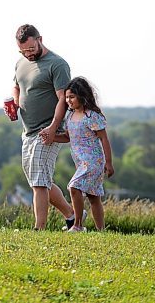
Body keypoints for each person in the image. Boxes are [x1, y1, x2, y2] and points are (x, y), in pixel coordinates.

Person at [7, 24, 84, 231]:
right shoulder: (21, 62)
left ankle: (39, 229)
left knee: (39, 182)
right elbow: (17, 86)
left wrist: (53, 128)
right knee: (37, 179)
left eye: (31, 49)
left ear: (40, 39)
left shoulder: (57, 64)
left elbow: (63, 99)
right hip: (28, 130)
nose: (28, 54)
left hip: (49, 130)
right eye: (23, 51)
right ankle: (72, 216)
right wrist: (15, 103)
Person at [53, 77, 114, 232]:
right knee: (94, 197)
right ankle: (102, 230)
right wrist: (51, 136)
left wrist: (109, 162)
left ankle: (78, 225)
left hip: (93, 161)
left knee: (73, 187)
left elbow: (104, 139)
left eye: (72, 97)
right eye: (66, 97)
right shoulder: (69, 116)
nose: (68, 100)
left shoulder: (91, 116)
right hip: (80, 162)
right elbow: (68, 137)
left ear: (82, 95)